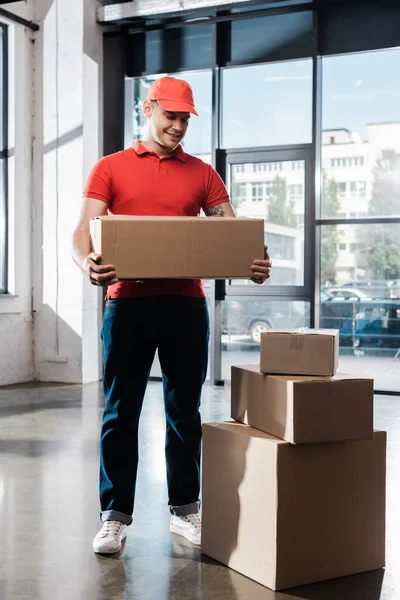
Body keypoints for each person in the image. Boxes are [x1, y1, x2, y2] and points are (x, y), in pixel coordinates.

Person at [71, 76, 272, 555]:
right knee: (121, 412)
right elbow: (82, 231)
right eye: (171, 116)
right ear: (149, 108)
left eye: (185, 119)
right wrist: (88, 264)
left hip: (185, 307)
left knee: (184, 411)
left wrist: (254, 262)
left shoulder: (202, 174)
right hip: (127, 305)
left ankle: (185, 510)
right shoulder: (110, 168)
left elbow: (231, 233)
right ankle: (114, 516)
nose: (178, 127)